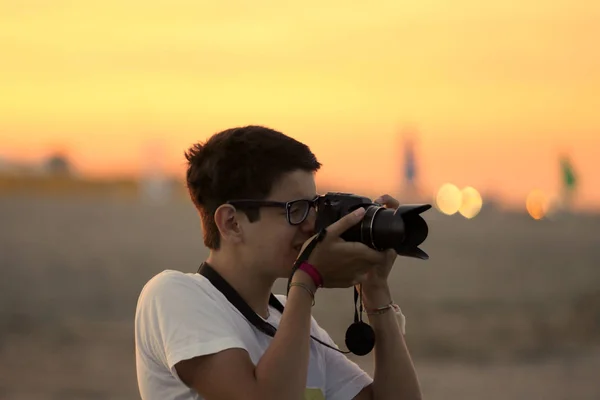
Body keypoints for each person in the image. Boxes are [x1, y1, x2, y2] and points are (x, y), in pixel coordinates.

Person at [134, 125, 422, 400]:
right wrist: (307, 278)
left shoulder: (292, 320)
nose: (312, 225)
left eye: (314, 207)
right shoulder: (173, 295)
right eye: (295, 210)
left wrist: (375, 290)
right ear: (232, 223)